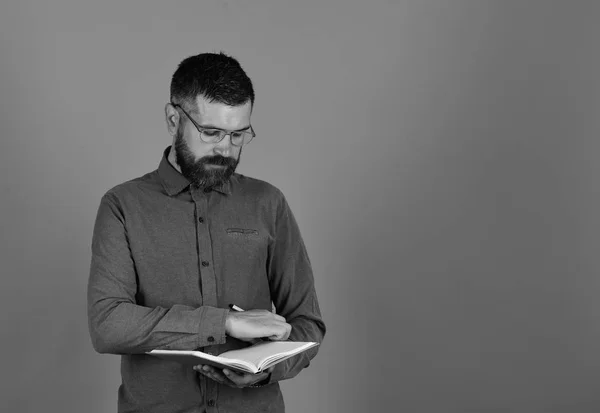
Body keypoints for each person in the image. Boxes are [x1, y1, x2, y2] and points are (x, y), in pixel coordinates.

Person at [87, 52, 326, 413]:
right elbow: (108, 323)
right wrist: (224, 322)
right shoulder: (122, 205)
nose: (225, 148)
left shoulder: (268, 202)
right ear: (173, 119)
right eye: (211, 132)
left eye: (238, 134)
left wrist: (265, 373)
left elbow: (307, 324)